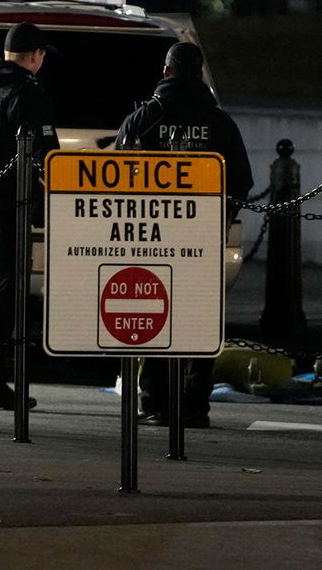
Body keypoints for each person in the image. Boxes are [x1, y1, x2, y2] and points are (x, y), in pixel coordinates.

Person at [116, 40, 253, 429]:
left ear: (166, 72)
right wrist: (220, 220)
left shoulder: (143, 119)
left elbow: (116, 176)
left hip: (151, 237)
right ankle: (194, 406)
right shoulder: (221, 123)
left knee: (153, 313)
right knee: (199, 321)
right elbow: (242, 181)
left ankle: (155, 403)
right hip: (203, 239)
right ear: (200, 74)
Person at [0, 22, 60, 410]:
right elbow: (46, 155)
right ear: (35, 56)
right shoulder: (27, 93)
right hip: (8, 204)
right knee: (7, 289)